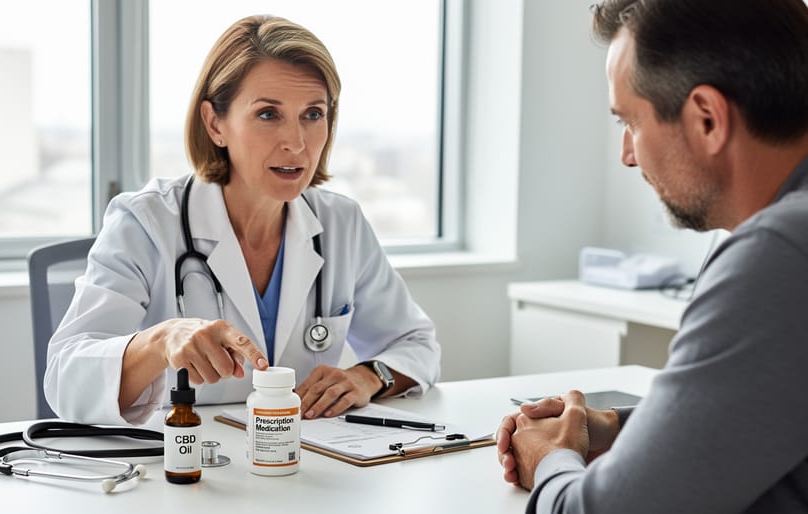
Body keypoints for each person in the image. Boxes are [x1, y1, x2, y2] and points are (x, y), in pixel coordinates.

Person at [45, 15, 440, 426]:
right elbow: (65, 376)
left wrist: (369, 375)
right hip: (184, 466)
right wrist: (160, 342)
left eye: (313, 114)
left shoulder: (342, 222)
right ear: (216, 123)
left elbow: (416, 345)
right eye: (268, 114)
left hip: (304, 467)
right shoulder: (145, 222)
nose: (297, 143)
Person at [496, 0, 808, 512]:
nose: (627, 153)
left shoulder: (778, 257)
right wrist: (618, 427)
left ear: (707, 118)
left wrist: (549, 459)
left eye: (630, 122)